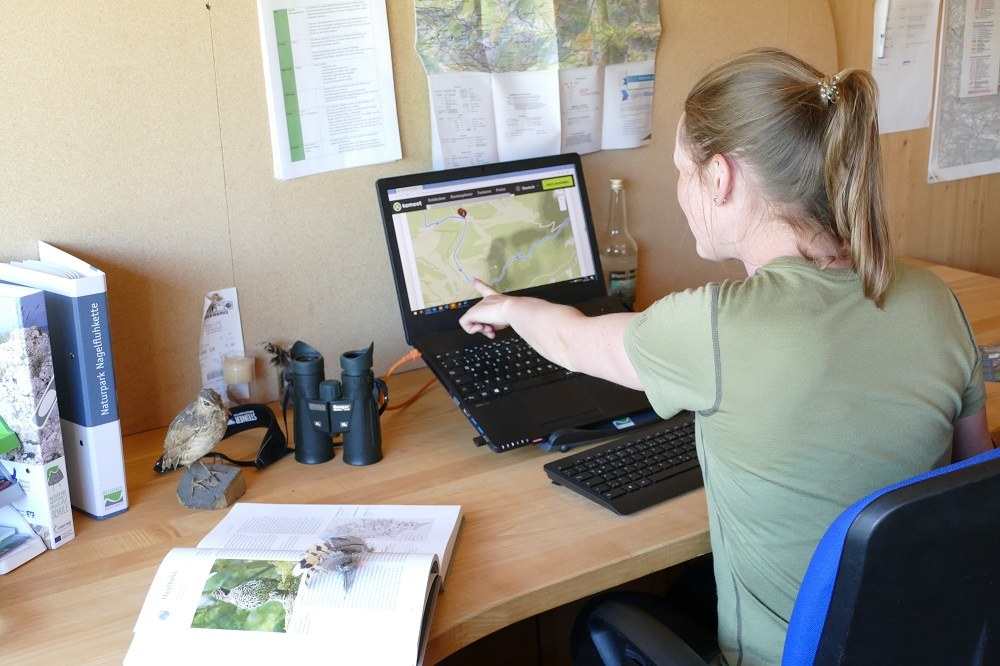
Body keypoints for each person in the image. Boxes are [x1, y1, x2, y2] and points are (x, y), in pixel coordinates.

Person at [459, 47, 993, 665]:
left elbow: (569, 340)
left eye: (681, 171)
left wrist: (508, 307)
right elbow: (973, 484)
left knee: (599, 623)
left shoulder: (716, 325)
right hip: (925, 644)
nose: (679, 191)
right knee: (689, 586)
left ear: (720, 177)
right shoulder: (932, 297)